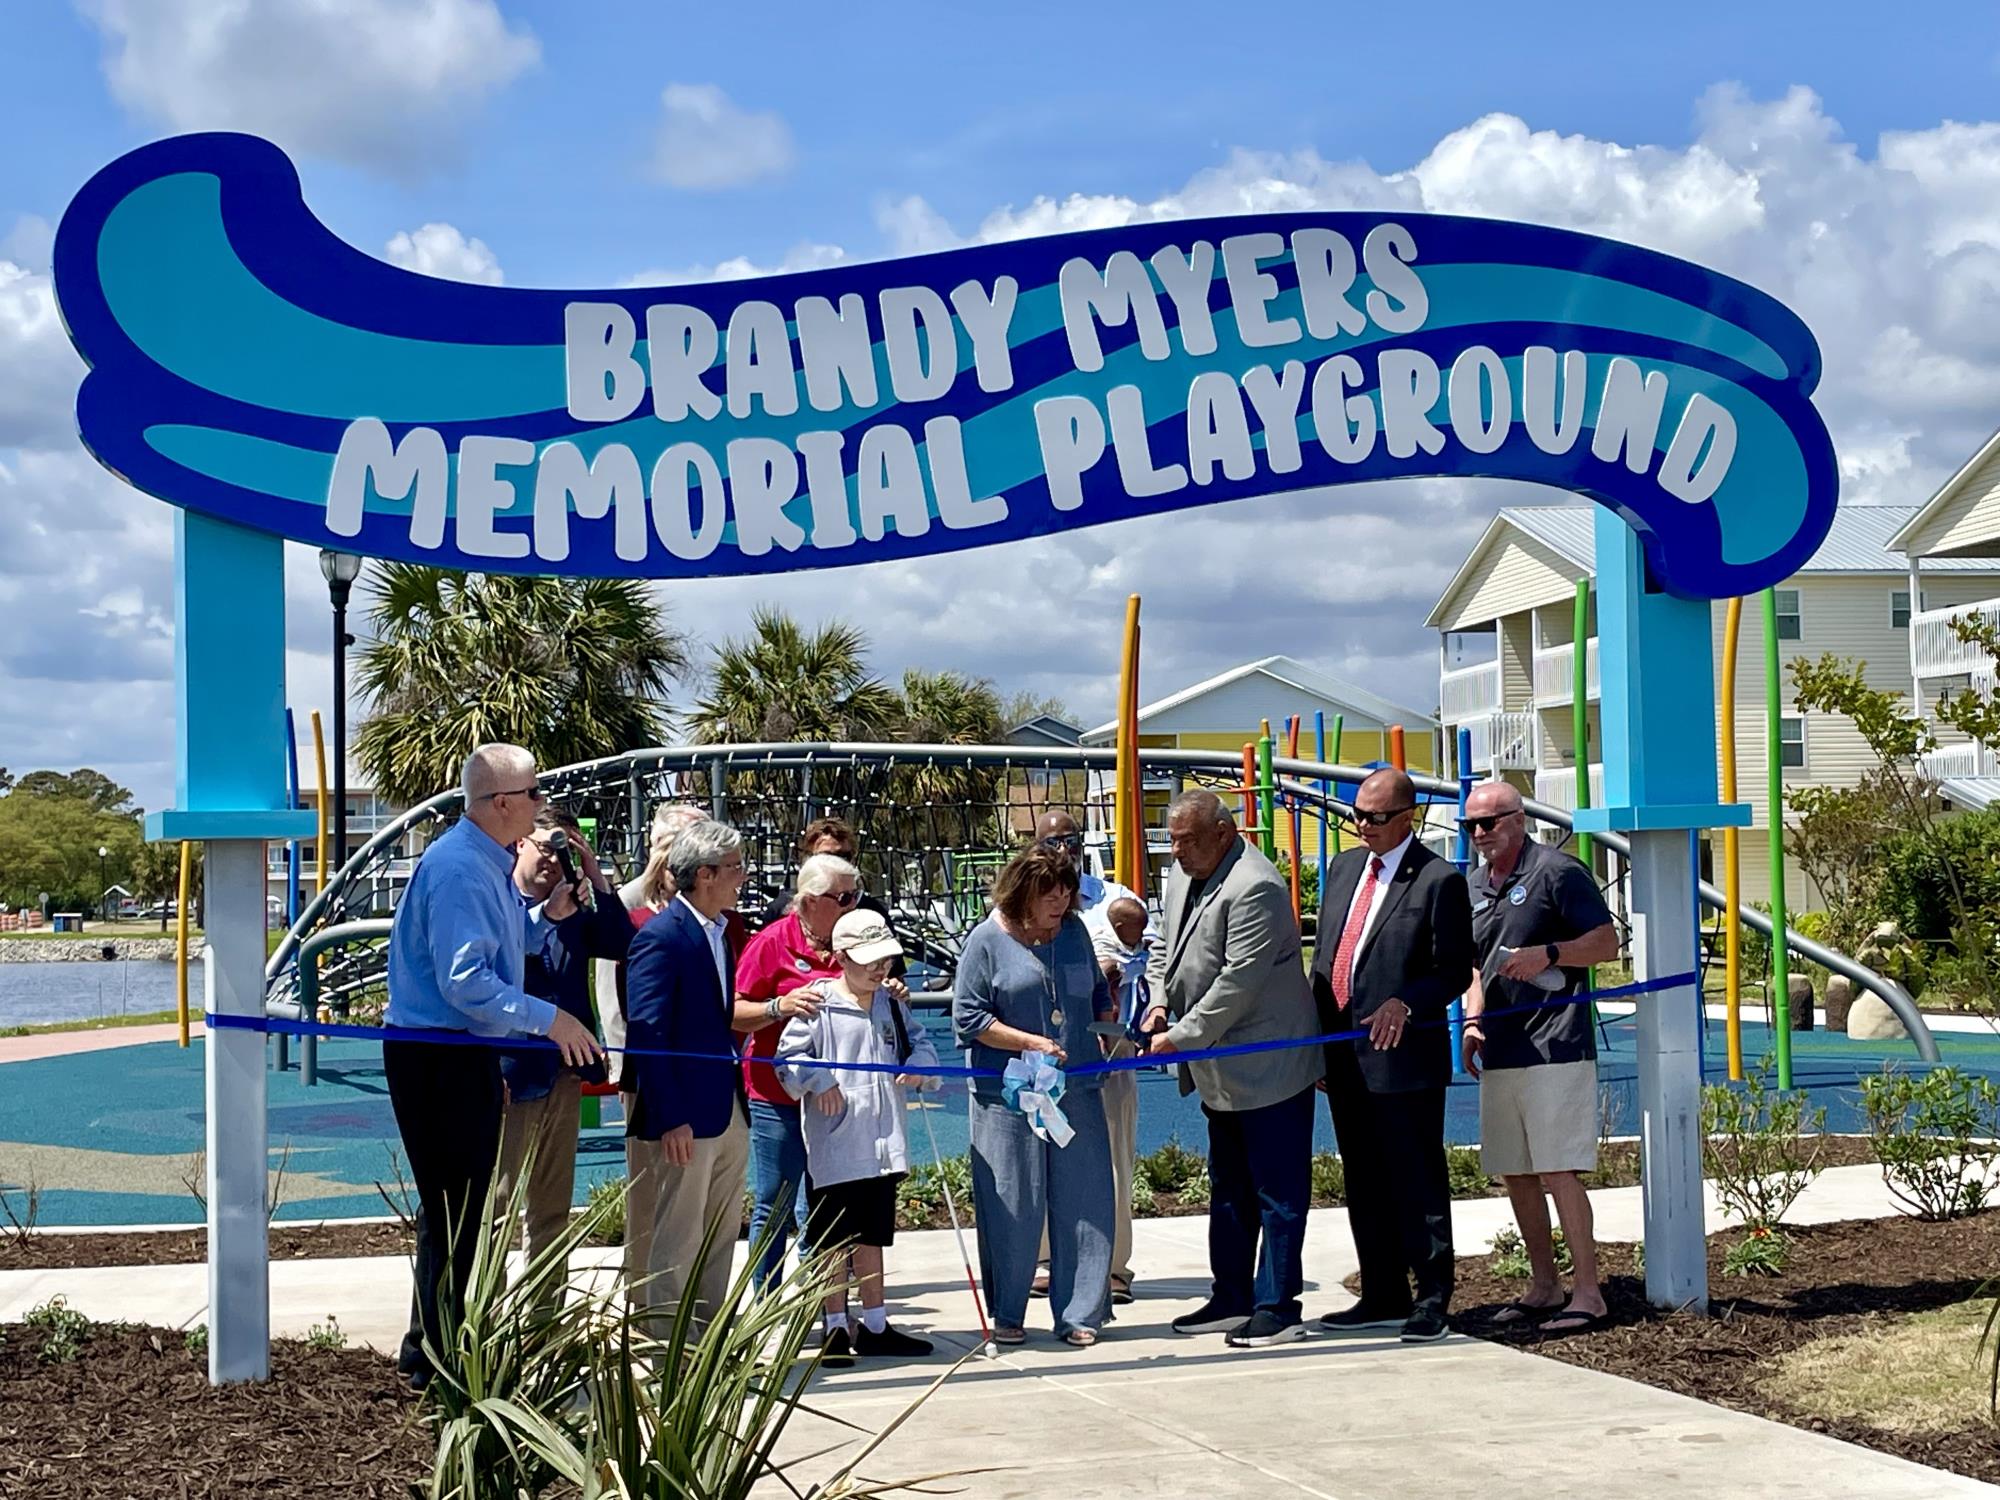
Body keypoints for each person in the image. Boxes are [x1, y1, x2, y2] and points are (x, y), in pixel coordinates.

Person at [383, 743, 604, 1388]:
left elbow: (500, 947)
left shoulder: (485, 862)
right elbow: (466, 982)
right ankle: (439, 1360)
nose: (541, 803)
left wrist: (546, 917)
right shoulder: (460, 869)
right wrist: (551, 1020)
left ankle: (435, 1351)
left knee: (460, 1211)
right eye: (534, 793)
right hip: (438, 1054)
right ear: (502, 802)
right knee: (457, 1213)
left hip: (459, 1051)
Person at [1142, 789, 1322, 1349]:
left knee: (1277, 1193)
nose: (1177, 852)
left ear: (1223, 833)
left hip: (1269, 1066)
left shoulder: (1256, 886)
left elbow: (1237, 983)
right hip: (1219, 1068)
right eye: (1172, 840)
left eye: (1188, 840)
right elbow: (1163, 947)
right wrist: (1157, 1003)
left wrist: (1178, 1037)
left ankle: (1278, 1307)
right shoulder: (1183, 875)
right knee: (1229, 1187)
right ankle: (1232, 1296)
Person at [1312, 767, 1475, 1344]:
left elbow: (1454, 970)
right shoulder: (1344, 868)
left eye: (1377, 817)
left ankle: (1431, 1297)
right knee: (1363, 1177)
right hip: (1342, 1054)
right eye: (1357, 814)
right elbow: (1328, 956)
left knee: (1416, 1179)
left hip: (1402, 1059)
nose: (1363, 825)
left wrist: (1406, 1001)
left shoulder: (1438, 880)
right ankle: (1383, 1292)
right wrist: (1317, 1042)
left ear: (1409, 817)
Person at [1459, 780, 1621, 1333]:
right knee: (1516, 1171)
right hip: (1501, 1045)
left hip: (1556, 1042)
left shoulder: (1559, 871)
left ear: (1518, 818)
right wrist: (1473, 1021)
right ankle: (1545, 1285)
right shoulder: (1473, 884)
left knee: (1556, 1167)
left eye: (1488, 822)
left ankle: (1589, 1293)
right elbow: (1476, 966)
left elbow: (1606, 943)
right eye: (1470, 825)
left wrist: (1549, 953)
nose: (1479, 833)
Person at [953, 843, 1117, 1347]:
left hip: (1078, 1088)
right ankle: (1008, 1311)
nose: (1060, 903)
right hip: (1007, 1095)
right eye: (1050, 895)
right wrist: (1030, 1043)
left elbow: (1096, 992)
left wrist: (1107, 1028)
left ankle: (1080, 1312)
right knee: (1013, 1203)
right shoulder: (985, 940)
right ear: (1022, 894)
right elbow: (969, 1018)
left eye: (1067, 893)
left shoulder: (1074, 932)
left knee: (1086, 1199)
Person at [776, 909, 940, 1364]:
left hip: (883, 1143)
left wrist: (918, 1068)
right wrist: (819, 1080)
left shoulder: (892, 1004)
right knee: (832, 1240)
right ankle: (833, 1325)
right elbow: (787, 1057)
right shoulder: (819, 1003)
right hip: (836, 1146)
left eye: (885, 959)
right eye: (869, 960)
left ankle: (875, 1324)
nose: (879, 969)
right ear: (842, 956)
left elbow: (922, 1045)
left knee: (873, 1236)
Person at [492, 808, 633, 1298]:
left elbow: (623, 943)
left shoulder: (572, 909)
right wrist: (546, 915)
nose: (554, 859)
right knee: (498, 1207)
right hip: (511, 1076)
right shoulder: (501, 902)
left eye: (564, 850)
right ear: (520, 845)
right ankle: (485, 1317)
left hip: (564, 1075)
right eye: (546, 846)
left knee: (551, 1208)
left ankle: (544, 1317)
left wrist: (594, 874)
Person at [622, 819, 751, 1331]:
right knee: (678, 1234)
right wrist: (671, 1117)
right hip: (686, 1116)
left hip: (725, 1104)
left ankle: (709, 1335)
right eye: (734, 867)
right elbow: (647, 1033)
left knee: (721, 1229)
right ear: (704, 874)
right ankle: (669, 1342)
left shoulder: (720, 933)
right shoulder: (661, 937)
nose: (742, 877)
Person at [1030, 809, 1153, 1306]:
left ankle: (1115, 1268)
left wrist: (1110, 972)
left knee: (1114, 1156)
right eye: (1052, 841)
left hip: (1108, 1045)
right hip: (1047, 1049)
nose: (1064, 849)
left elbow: (1146, 960)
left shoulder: (1116, 899)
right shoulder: (1020, 901)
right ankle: (1046, 1260)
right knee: (1044, 1151)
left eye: (1071, 839)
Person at [732, 853, 864, 1290]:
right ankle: (767, 1303)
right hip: (777, 1095)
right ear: (808, 902)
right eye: (842, 898)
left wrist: (890, 990)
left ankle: (822, 1304)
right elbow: (733, 1013)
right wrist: (779, 1006)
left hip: (838, 1095)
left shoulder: (857, 942)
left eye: (856, 895)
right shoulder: (771, 943)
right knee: (776, 1201)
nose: (852, 905)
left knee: (828, 1202)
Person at [595, 800, 706, 1306]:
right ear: (654, 845)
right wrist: (626, 1070)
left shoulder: (704, 907)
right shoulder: (627, 904)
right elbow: (614, 1000)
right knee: (647, 1190)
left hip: (699, 1073)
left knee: (691, 1194)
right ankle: (641, 1301)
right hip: (644, 1074)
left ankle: (685, 1298)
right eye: (674, 843)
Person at [759, 818, 907, 978]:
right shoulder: (780, 911)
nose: (836, 862)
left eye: (844, 856)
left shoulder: (871, 912)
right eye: (827, 856)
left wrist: (892, 986)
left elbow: (894, 975)